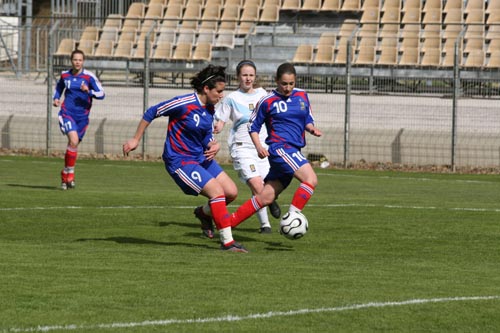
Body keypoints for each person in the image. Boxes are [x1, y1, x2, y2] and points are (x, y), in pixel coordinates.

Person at [122, 65, 248, 253]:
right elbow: (152, 112)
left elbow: (205, 134)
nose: (222, 95)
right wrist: (135, 139)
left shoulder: (210, 108)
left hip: (200, 158)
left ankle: (203, 213)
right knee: (217, 193)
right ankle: (228, 242)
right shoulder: (183, 102)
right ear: (206, 89)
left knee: (231, 192)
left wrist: (213, 144)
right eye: (219, 91)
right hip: (180, 160)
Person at [228, 62, 322, 229]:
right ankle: (293, 218)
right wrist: (259, 147)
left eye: (291, 84)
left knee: (265, 198)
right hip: (281, 149)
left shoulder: (302, 96)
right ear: (277, 81)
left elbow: (307, 118)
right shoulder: (267, 101)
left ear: (296, 81)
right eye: (284, 84)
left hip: (294, 149)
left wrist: (311, 128)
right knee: (311, 179)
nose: (287, 88)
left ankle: (227, 224)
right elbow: (253, 126)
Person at [214, 59, 281, 234]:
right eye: (244, 75)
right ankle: (271, 205)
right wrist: (218, 126)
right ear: (238, 77)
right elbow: (220, 119)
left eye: (251, 75)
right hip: (242, 147)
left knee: (264, 186)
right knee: (258, 185)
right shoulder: (231, 99)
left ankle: (265, 225)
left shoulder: (262, 94)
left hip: (262, 148)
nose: (248, 78)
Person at [53, 49, 105, 190]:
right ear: (71, 60)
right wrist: (56, 98)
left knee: (74, 145)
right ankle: (69, 175)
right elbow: (59, 87)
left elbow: (102, 94)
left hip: (82, 117)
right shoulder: (65, 75)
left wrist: (88, 91)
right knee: (74, 140)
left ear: (83, 61)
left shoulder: (88, 77)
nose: (77, 62)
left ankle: (67, 172)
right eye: (75, 59)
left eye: (80, 60)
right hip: (67, 113)